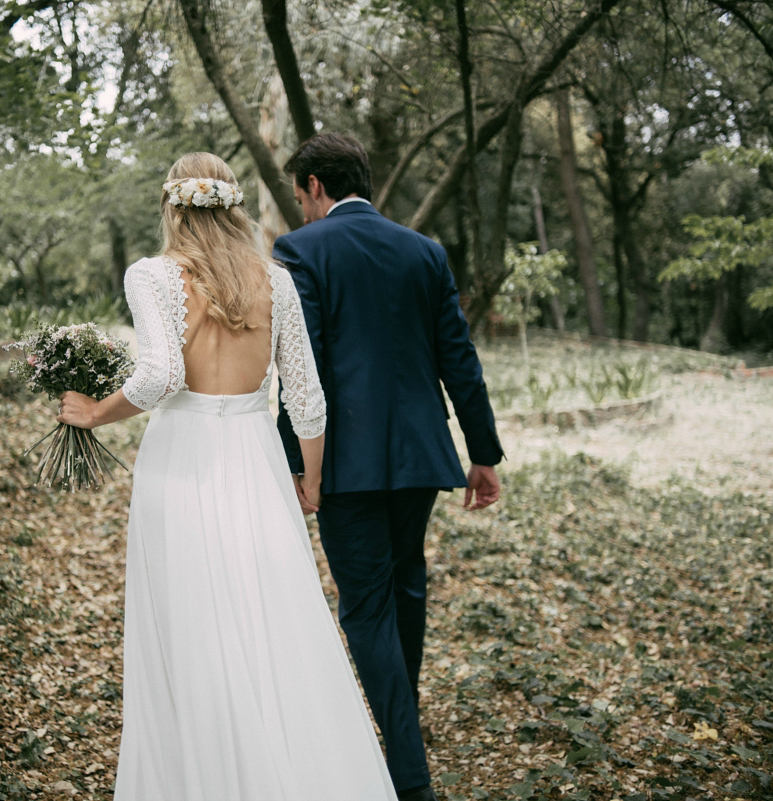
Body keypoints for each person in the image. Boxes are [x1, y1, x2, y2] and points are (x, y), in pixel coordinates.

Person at [57, 152, 398, 800]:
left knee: (187, 635)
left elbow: (160, 376)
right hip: (256, 460)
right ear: (233, 206)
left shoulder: (153, 276)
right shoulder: (274, 281)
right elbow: (308, 399)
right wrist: (312, 481)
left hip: (180, 464)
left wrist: (96, 411)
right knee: (273, 625)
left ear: (173, 206)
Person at [273, 132, 505, 801]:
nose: (303, 211)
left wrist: (298, 464)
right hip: (420, 455)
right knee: (406, 582)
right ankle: (402, 722)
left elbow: (303, 369)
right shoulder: (423, 250)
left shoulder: (300, 250)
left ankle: (409, 777)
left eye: (300, 197)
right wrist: (481, 452)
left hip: (344, 461)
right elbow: (457, 356)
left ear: (315, 185)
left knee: (366, 606)